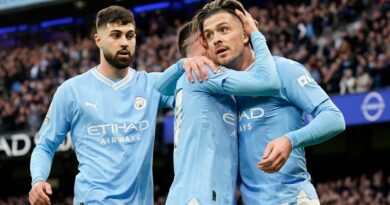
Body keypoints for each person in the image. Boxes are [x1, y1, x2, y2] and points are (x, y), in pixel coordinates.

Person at [193, 0, 346, 204]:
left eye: (224, 29)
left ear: (246, 33)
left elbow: (334, 118)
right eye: (210, 35)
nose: (216, 40)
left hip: (292, 198)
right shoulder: (223, 89)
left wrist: (290, 140)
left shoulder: (284, 70)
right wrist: (184, 63)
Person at [29, 6, 175, 204]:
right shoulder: (71, 91)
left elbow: (194, 94)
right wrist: (38, 180)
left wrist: (190, 63)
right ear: (98, 40)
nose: (124, 42)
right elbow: (45, 146)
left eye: (129, 35)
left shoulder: (153, 85)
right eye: (116, 35)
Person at [154, 8, 279, 205]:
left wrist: (179, 65)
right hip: (200, 196)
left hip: (199, 194)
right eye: (208, 36)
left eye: (221, 32)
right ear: (197, 43)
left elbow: (160, 87)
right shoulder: (204, 74)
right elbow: (268, 81)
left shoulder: (190, 85)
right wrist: (255, 34)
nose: (216, 40)